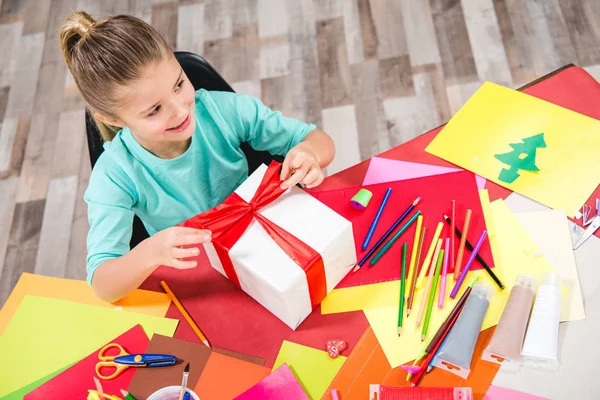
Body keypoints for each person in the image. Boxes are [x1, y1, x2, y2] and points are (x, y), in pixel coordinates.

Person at [59, 11, 335, 303]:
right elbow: (102, 283)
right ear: (113, 118)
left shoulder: (222, 111)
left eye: (179, 84)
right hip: (204, 282)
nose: (179, 111)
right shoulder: (115, 175)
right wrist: (150, 252)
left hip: (269, 248)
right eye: (154, 110)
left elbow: (317, 140)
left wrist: (308, 152)